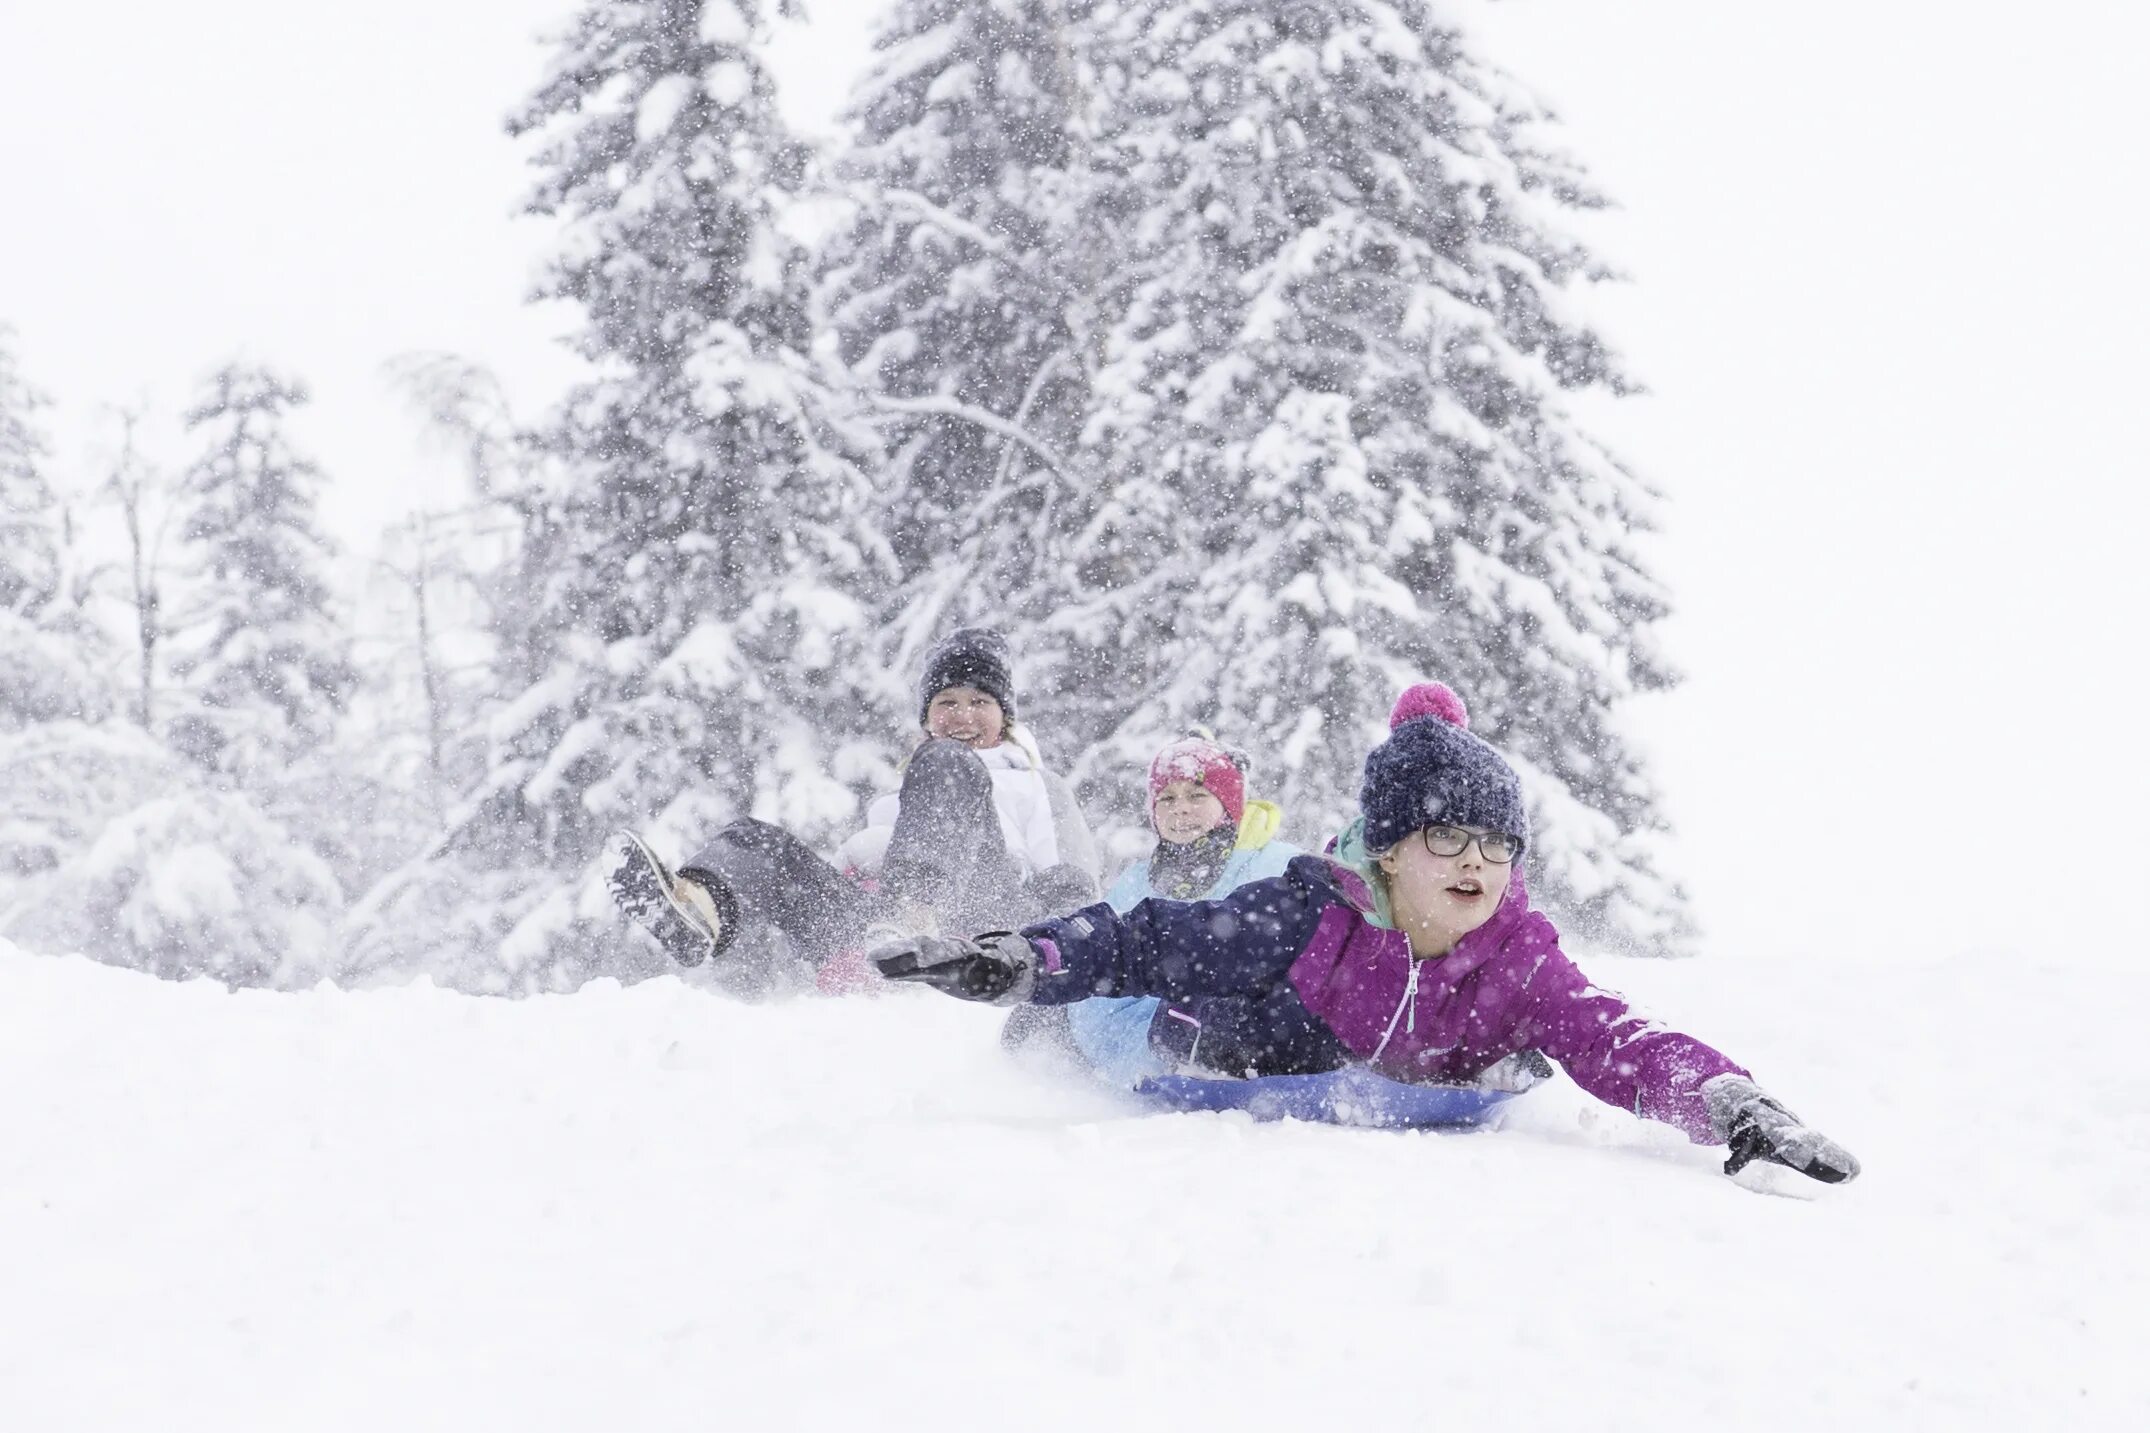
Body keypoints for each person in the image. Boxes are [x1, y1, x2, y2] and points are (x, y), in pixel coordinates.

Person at [873, 681, 1861, 1185]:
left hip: (1379, 1067)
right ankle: (1030, 1022)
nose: (1474, 861)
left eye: (1493, 842)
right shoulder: (1313, 913)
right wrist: (1025, 956)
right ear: (1388, 851)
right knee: (1138, 995)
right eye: (1445, 836)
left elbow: (1621, 1043)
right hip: (1222, 1038)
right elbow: (1150, 935)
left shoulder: (1520, 963)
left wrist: (1731, 1101)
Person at [606, 628, 1099, 984]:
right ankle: (700, 911)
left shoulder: (1036, 785)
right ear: (927, 716)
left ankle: (914, 919)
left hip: (988, 927)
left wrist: (1046, 965)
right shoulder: (905, 792)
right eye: (947, 702)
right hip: (877, 926)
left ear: (1004, 715)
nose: (963, 716)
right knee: (757, 840)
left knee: (947, 766)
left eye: (979, 703)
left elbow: (1073, 888)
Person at [1053, 732, 1305, 1088]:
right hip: (1151, 1036)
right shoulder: (1138, 881)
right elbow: (1101, 979)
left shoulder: (1274, 863)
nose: (1180, 808)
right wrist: (1139, 1061)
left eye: (1198, 795)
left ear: (1229, 806)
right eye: (1167, 798)